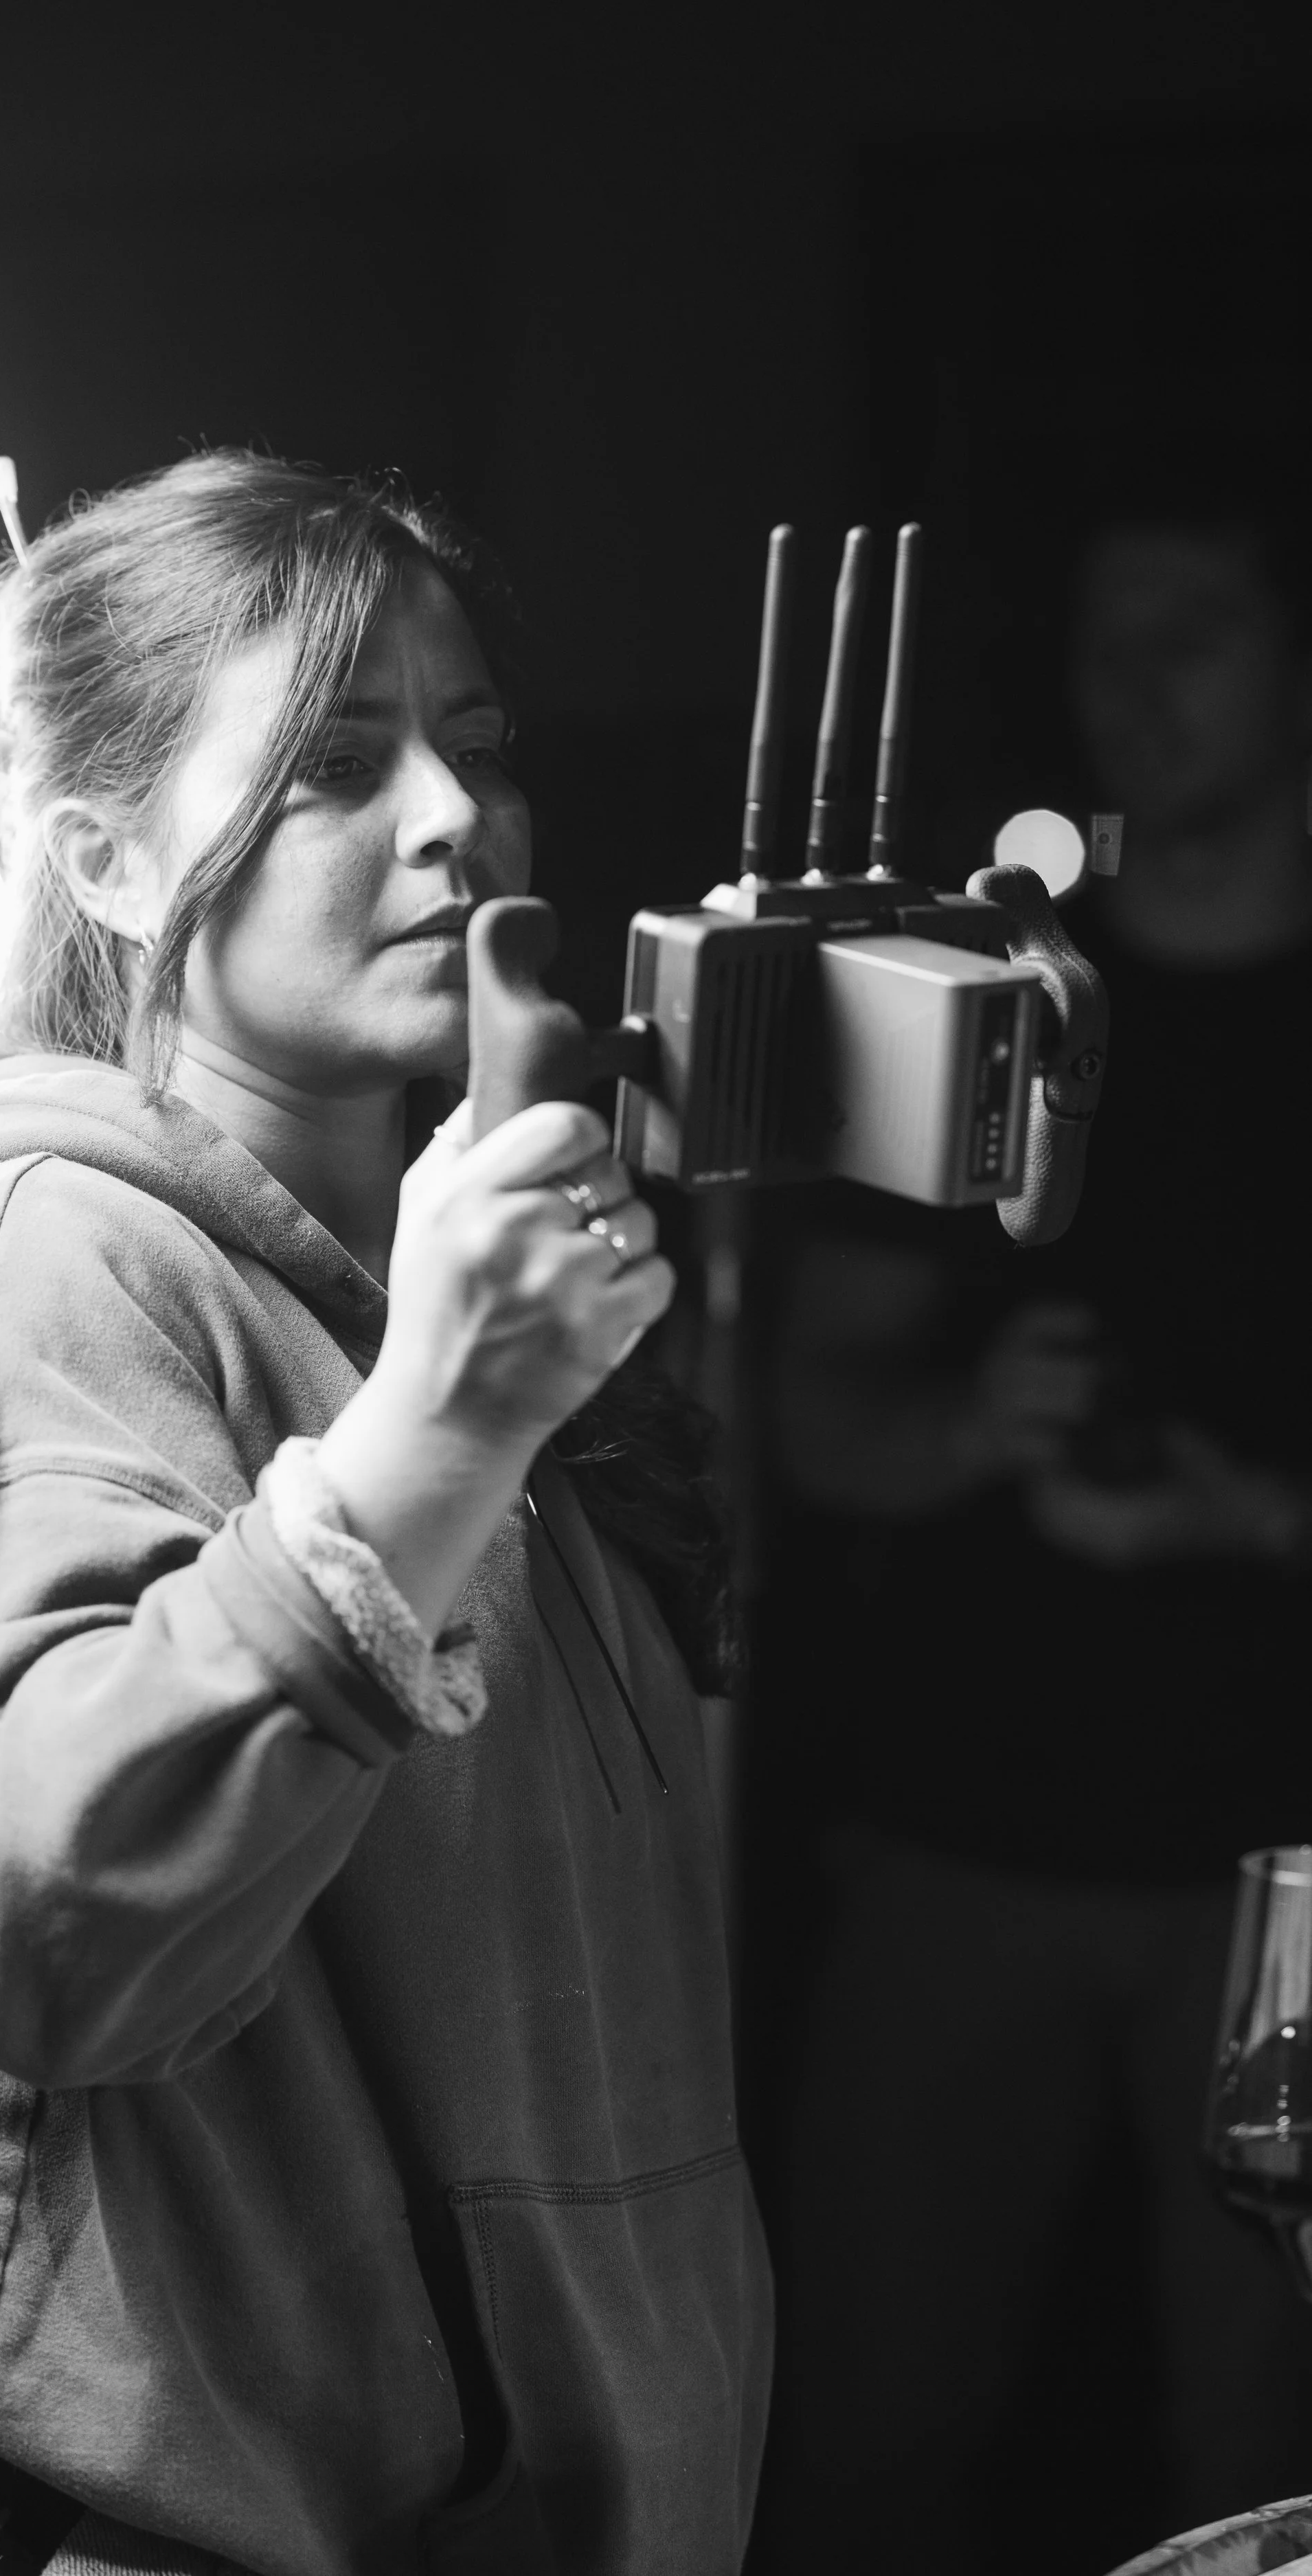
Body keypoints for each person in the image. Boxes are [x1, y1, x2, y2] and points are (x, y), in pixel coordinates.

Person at [0, 452, 770, 2575]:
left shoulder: (426, 1264)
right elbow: (45, 1929)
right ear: (98, 853)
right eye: (333, 765)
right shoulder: (33, 1260)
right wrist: (436, 1428)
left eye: (476, 748)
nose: (456, 818)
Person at [752, 511, 1312, 2573]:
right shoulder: (996, 997)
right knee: (871, 2439)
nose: (1132, 684)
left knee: (1260, 2468)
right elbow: (814, 1416)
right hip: (959, 1841)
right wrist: (971, 1424)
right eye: (1102, 639)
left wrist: (1234, 1510)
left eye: (1193, 627)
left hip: (1278, 1886)